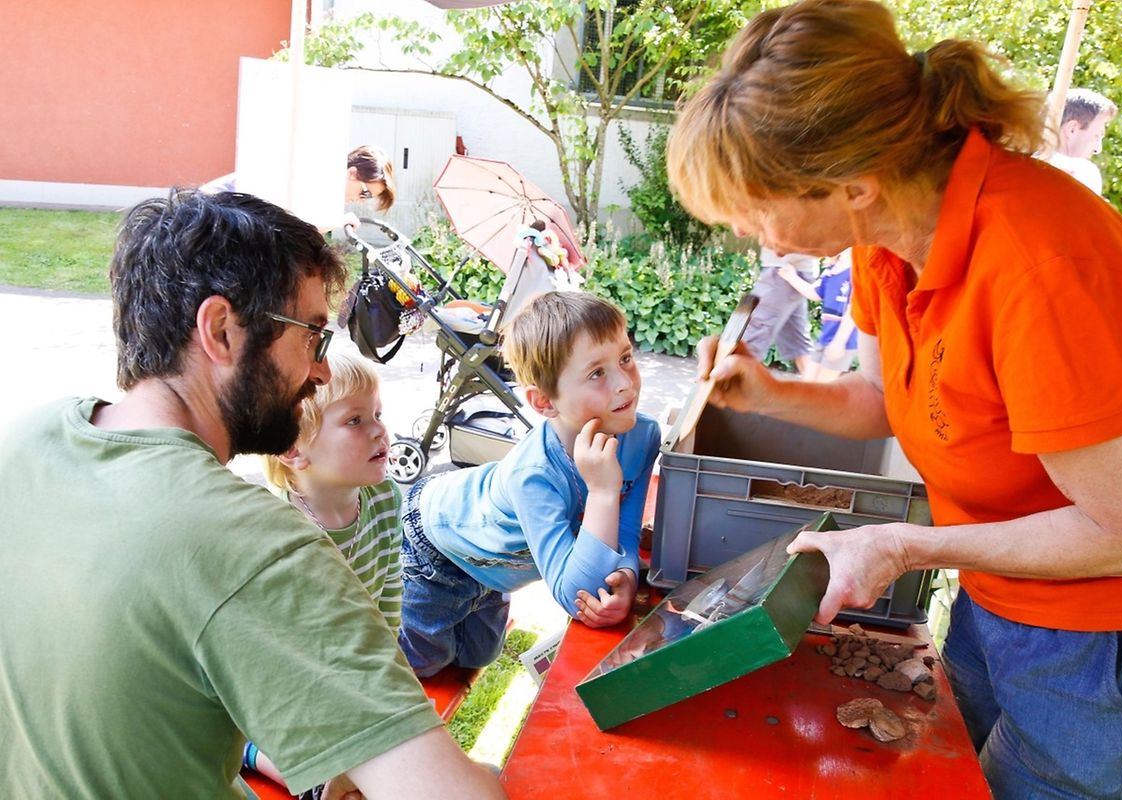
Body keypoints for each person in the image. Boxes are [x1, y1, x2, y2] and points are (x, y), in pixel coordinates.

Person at [666, 1, 1122, 797]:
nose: (751, 231)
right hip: (999, 595)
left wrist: (904, 545)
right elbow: (884, 399)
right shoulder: (888, 244)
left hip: (1116, 635)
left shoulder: (1043, 265)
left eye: (756, 205)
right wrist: (769, 392)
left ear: (852, 183)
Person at [0, 189, 504, 799]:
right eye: (312, 335)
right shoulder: (256, 545)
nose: (320, 370)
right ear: (220, 330)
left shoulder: (26, 439)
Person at [398, 291, 660, 677]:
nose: (625, 383)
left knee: (477, 656)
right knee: (423, 664)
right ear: (544, 402)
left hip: (494, 563)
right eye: (597, 373)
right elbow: (576, 597)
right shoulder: (534, 473)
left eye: (624, 358)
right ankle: (358, 632)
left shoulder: (642, 436)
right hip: (438, 541)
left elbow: (625, 532)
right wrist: (603, 492)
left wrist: (625, 578)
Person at [247, 352, 404, 792]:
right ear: (294, 449)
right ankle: (263, 758)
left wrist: (388, 669)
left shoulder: (384, 497)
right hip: (287, 682)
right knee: (322, 762)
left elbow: (390, 585)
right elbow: (278, 646)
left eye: (377, 414)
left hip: (351, 665)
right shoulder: (278, 526)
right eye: (355, 421)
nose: (379, 430)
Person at [201, 143, 397, 231]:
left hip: (224, 218)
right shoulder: (315, 173)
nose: (360, 200)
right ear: (352, 173)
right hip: (211, 214)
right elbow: (297, 224)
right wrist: (338, 221)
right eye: (365, 193)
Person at [742, 246, 821, 372]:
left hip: (785, 268)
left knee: (751, 337)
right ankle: (819, 389)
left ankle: (725, 387)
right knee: (797, 343)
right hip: (792, 266)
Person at [1047, 88, 1117, 195]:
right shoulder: (1083, 172)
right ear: (1072, 129)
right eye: (1096, 136)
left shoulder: (1019, 163)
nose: (1098, 149)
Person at [804, 249, 858, 383]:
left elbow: (854, 309)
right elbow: (815, 293)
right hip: (825, 336)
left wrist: (839, 342)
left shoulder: (857, 270)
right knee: (808, 385)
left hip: (842, 340)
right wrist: (790, 277)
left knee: (821, 390)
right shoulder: (832, 268)